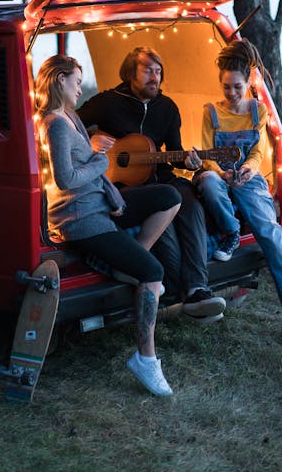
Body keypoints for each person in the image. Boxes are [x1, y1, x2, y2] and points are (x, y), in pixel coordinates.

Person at [35, 54, 182, 396]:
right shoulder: (54, 124)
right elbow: (66, 179)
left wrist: (110, 188)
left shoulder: (71, 116)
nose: (80, 86)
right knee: (152, 272)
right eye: (76, 80)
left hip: (100, 203)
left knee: (169, 196)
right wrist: (101, 164)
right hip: (80, 217)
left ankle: (126, 261)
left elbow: (85, 162)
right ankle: (146, 359)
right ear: (60, 81)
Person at [77, 46, 226, 324]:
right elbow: (70, 123)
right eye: (147, 70)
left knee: (190, 201)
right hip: (125, 185)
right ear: (130, 73)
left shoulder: (167, 107)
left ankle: (197, 290)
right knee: (164, 217)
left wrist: (190, 162)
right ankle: (167, 284)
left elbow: (177, 150)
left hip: (162, 176)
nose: (154, 77)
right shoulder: (109, 101)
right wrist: (90, 140)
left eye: (158, 72)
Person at [194, 39, 282, 344]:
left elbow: (259, 150)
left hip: (250, 178)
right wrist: (220, 171)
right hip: (222, 176)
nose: (232, 93)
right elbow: (207, 153)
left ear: (248, 81)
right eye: (227, 87)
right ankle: (230, 232)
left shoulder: (259, 110)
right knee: (209, 183)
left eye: (237, 87)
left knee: (271, 236)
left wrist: (249, 169)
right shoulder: (210, 112)